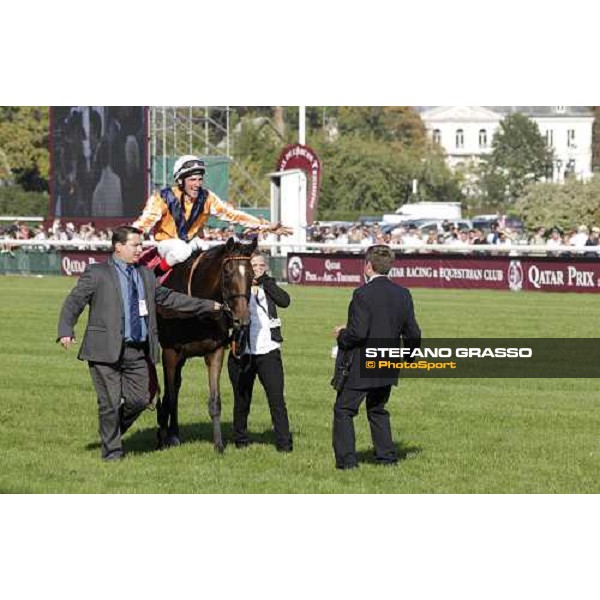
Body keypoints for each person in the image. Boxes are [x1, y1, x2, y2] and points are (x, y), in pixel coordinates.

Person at [57, 226, 224, 461]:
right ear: (118, 247)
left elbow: (169, 298)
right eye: (135, 245)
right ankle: (112, 453)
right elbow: (74, 301)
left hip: (137, 351)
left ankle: (111, 430)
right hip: (103, 350)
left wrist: (206, 305)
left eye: (140, 244)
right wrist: (66, 329)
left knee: (141, 400)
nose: (140, 249)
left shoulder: (146, 274)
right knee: (111, 402)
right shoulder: (97, 273)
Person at [331, 245, 421, 470]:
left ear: (368, 266)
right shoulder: (403, 293)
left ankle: (347, 462)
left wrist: (342, 334)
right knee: (377, 409)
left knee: (344, 410)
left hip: (363, 363)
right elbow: (413, 333)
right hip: (388, 361)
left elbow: (358, 333)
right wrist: (408, 357)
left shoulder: (362, 293)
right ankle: (387, 457)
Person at [132, 155, 292, 271]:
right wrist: (129, 237)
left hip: (190, 243)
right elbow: (144, 223)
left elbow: (233, 215)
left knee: (210, 251)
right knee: (181, 249)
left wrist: (266, 225)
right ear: (180, 180)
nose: (197, 184)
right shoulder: (162, 197)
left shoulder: (207, 198)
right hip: (166, 245)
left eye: (200, 179)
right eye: (192, 180)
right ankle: (156, 275)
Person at [227, 251, 293, 452]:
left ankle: (284, 444)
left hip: (268, 350)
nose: (256, 269)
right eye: (252, 266)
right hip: (243, 351)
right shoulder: (239, 287)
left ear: (266, 267)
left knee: (276, 399)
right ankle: (240, 440)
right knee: (242, 399)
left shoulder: (270, 286)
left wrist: (264, 281)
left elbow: (285, 301)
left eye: (260, 266)